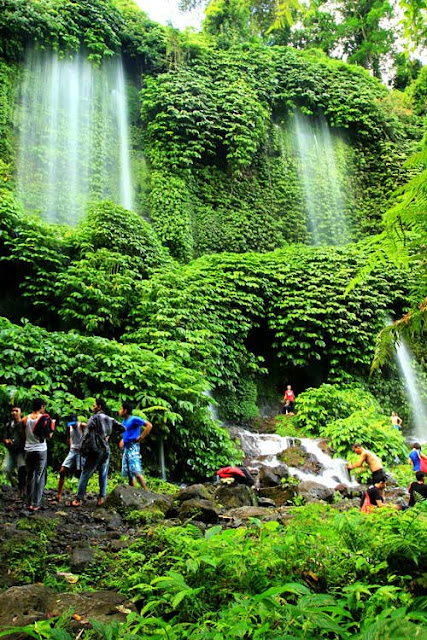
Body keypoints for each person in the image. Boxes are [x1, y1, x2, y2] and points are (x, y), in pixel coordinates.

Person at [72, 399, 124, 507]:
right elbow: (122, 428)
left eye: (94, 405)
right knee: (103, 474)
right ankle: (101, 498)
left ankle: (78, 499)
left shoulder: (94, 418)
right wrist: (109, 436)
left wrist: (81, 448)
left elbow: (86, 434)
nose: (93, 407)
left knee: (86, 473)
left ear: (99, 407)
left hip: (95, 450)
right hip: (105, 449)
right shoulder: (110, 419)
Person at [21, 398, 54, 511]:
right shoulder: (44, 418)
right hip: (40, 450)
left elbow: (23, 436)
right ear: (41, 407)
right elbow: (49, 436)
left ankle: (28, 503)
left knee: (30, 476)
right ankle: (36, 503)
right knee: (39, 477)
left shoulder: (24, 419)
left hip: (28, 450)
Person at [119, 402, 152, 491]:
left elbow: (149, 425)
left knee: (135, 469)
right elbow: (126, 433)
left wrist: (141, 437)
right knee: (129, 472)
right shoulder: (124, 422)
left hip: (133, 447)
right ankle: (132, 492)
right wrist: (122, 440)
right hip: (126, 447)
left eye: (121, 409)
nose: (119, 411)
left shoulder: (134, 419)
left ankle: (146, 490)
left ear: (125, 410)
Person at [55, 414, 86, 502]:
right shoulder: (70, 427)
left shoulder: (82, 425)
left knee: (81, 474)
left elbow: (91, 432)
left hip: (81, 451)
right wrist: (71, 446)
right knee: (62, 470)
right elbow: (70, 437)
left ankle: (79, 497)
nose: (73, 425)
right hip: (73, 450)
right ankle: (59, 494)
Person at [2, 406, 26, 496]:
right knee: (6, 470)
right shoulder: (9, 425)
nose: (14, 413)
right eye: (12, 411)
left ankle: (22, 489)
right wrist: (6, 441)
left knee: (22, 469)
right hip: (11, 451)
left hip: (21, 451)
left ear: (21, 413)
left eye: (16, 411)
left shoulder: (24, 423)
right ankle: (17, 486)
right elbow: (5, 436)